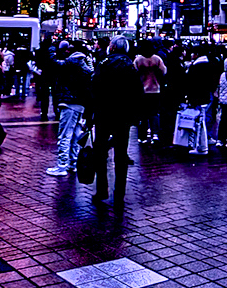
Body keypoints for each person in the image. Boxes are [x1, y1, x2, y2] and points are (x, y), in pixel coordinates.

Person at [87, 35, 144, 204]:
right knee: (121, 154)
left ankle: (101, 190)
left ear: (111, 48)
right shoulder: (130, 67)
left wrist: (90, 114)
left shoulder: (103, 64)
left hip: (103, 114)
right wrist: (136, 116)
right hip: (123, 116)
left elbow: (93, 90)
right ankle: (119, 193)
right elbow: (137, 93)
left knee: (100, 153)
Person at [45, 40, 96, 177]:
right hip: (80, 104)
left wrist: (51, 50)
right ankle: (73, 163)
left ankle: (62, 165)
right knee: (75, 135)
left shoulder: (73, 61)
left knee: (65, 135)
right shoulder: (85, 63)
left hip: (69, 102)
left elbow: (54, 64)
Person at [133, 41, 168, 146]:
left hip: (142, 91)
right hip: (155, 90)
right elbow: (164, 71)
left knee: (142, 115)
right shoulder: (157, 59)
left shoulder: (138, 60)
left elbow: (134, 73)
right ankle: (155, 134)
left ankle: (142, 136)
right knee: (154, 113)